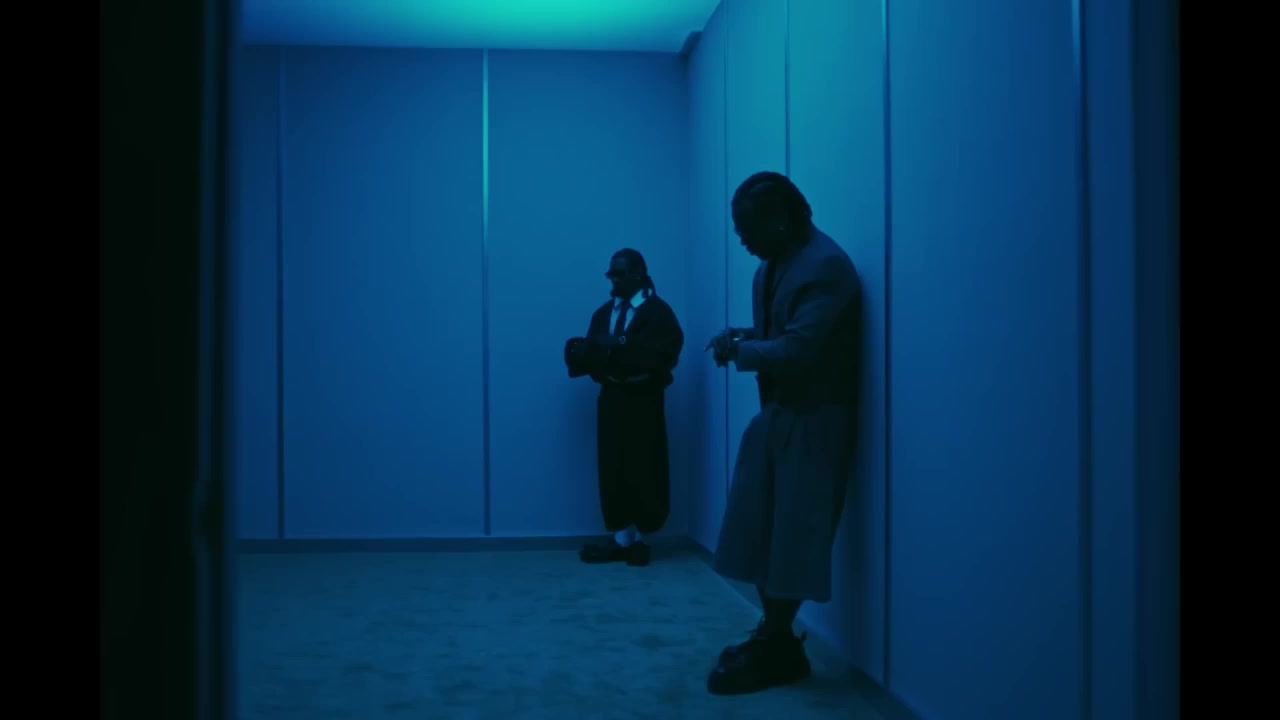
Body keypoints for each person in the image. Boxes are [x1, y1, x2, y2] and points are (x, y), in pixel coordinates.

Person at [704, 171, 862, 695]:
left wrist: (741, 351)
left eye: (747, 228)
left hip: (815, 421)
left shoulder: (825, 266)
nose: (741, 239)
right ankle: (774, 637)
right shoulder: (774, 264)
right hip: (776, 415)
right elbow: (783, 331)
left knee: (793, 540)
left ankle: (778, 644)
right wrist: (746, 336)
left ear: (779, 220)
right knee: (755, 531)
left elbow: (800, 348)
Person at [564, 249, 684, 568]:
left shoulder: (658, 313)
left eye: (620, 274)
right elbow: (594, 352)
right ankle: (621, 538)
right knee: (613, 465)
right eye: (611, 274)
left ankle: (643, 538)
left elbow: (665, 354)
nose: (614, 280)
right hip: (612, 395)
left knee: (646, 464)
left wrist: (619, 347)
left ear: (638, 273)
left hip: (644, 396)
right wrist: (595, 357)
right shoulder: (603, 314)